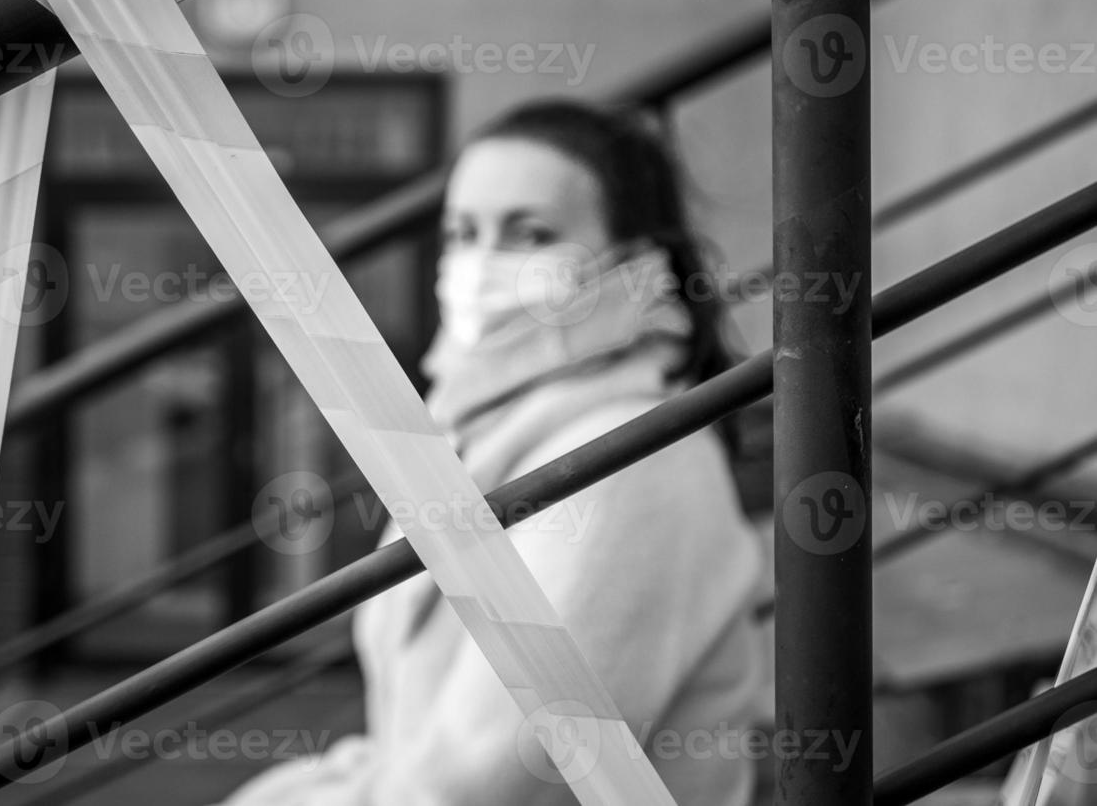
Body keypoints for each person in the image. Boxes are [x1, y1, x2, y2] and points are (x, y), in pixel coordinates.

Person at [216, 100, 767, 806]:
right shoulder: (489, 431)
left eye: (529, 233)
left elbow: (480, 784)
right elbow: (414, 750)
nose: (481, 266)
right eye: (462, 233)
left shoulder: (629, 463)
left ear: (632, 261)